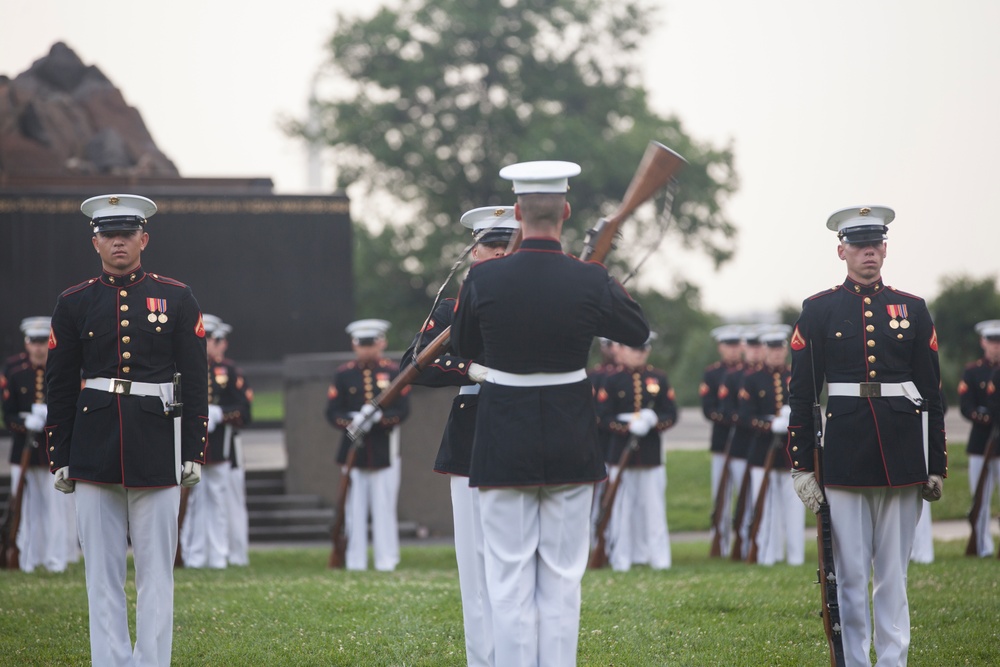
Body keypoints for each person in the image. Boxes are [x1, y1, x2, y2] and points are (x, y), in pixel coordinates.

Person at [451, 160, 650, 667]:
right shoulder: (588, 278)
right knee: (562, 580)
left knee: (509, 578)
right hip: (569, 437)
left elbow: (465, 345)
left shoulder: (483, 277)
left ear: (517, 213)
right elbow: (636, 330)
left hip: (503, 437)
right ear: (565, 210)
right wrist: (598, 275)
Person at [45, 194, 208, 667]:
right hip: (94, 445)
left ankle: (152, 662)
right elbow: (59, 384)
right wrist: (60, 452)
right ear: (95, 241)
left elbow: (195, 380)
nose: (119, 242)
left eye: (128, 234)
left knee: (157, 570)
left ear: (144, 239)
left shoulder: (176, 296)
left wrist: (194, 447)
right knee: (101, 572)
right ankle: (110, 660)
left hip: (157, 442)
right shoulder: (74, 302)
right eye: (109, 235)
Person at [787, 205, 946, 667]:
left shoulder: (912, 308)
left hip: (901, 453)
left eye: (876, 244)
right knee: (851, 574)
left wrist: (935, 462)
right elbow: (802, 395)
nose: (869, 253)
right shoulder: (818, 310)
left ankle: (893, 661)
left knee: (893, 576)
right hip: (845, 453)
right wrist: (801, 466)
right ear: (842, 251)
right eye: (859, 246)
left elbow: (932, 393)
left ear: (884, 248)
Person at [401, 204, 518, 667]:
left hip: (520, 427)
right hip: (471, 432)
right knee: (474, 567)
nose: (496, 254)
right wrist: (469, 367)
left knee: (515, 559)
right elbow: (414, 364)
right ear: (474, 251)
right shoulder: (454, 306)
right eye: (490, 246)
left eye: (506, 246)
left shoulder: (532, 301)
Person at [325, 319, 410, 571]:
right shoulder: (343, 374)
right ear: (354, 345)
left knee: (384, 508)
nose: (367, 349)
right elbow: (332, 412)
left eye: (371, 343)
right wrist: (351, 420)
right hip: (352, 450)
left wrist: (379, 419)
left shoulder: (394, 372)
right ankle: (355, 560)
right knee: (353, 509)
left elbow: (403, 410)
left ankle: (386, 560)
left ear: (382, 342)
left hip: (384, 449)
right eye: (362, 344)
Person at [595, 332, 677, 571]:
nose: (638, 353)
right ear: (622, 350)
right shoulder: (611, 380)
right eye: (633, 349)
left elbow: (671, 414)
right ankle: (621, 559)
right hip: (619, 453)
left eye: (642, 349)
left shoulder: (658, 378)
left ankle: (659, 560)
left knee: (654, 509)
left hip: (650, 455)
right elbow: (601, 416)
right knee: (621, 509)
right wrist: (627, 425)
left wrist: (653, 421)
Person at [2, 316, 77, 572]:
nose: (38, 347)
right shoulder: (14, 369)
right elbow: (8, 414)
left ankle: (55, 560)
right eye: (34, 342)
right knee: (23, 507)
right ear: (26, 343)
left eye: (43, 341)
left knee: (56, 508)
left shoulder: (63, 368)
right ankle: (27, 559)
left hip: (52, 452)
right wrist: (25, 422)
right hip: (22, 451)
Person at [179, 315, 252, 568]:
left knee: (218, 500)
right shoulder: (183, 368)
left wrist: (221, 413)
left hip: (219, 446)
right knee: (193, 501)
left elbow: (244, 410)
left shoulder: (228, 371)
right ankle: (194, 554)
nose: (210, 343)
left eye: (212, 338)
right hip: (191, 445)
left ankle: (219, 555)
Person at [739, 324, 803, 566]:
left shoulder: (794, 376)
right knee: (765, 506)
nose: (776, 353)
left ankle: (795, 557)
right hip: (762, 452)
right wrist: (769, 425)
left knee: (794, 508)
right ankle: (767, 553)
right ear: (765, 350)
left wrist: (791, 418)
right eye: (772, 349)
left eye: (780, 349)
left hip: (790, 453)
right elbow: (745, 417)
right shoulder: (753, 379)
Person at [958, 319, 1000, 557]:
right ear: (983, 342)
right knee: (980, 500)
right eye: (992, 341)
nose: (996, 346)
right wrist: (986, 417)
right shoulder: (973, 371)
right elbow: (966, 406)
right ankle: (982, 546)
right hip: (980, 442)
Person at [700, 324, 742, 555]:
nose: (733, 350)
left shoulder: (748, 372)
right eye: (728, 345)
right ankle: (719, 540)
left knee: (744, 493)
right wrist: (732, 418)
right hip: (722, 440)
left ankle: (742, 541)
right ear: (720, 347)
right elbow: (708, 409)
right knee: (721, 494)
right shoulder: (713, 373)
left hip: (744, 443)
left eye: (736, 344)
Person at [728, 325, 765, 559]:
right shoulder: (735, 376)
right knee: (743, 497)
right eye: (751, 346)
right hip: (742, 444)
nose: (755, 351)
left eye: (758, 346)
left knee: (757, 498)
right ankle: (741, 543)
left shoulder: (767, 376)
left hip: (764, 445)